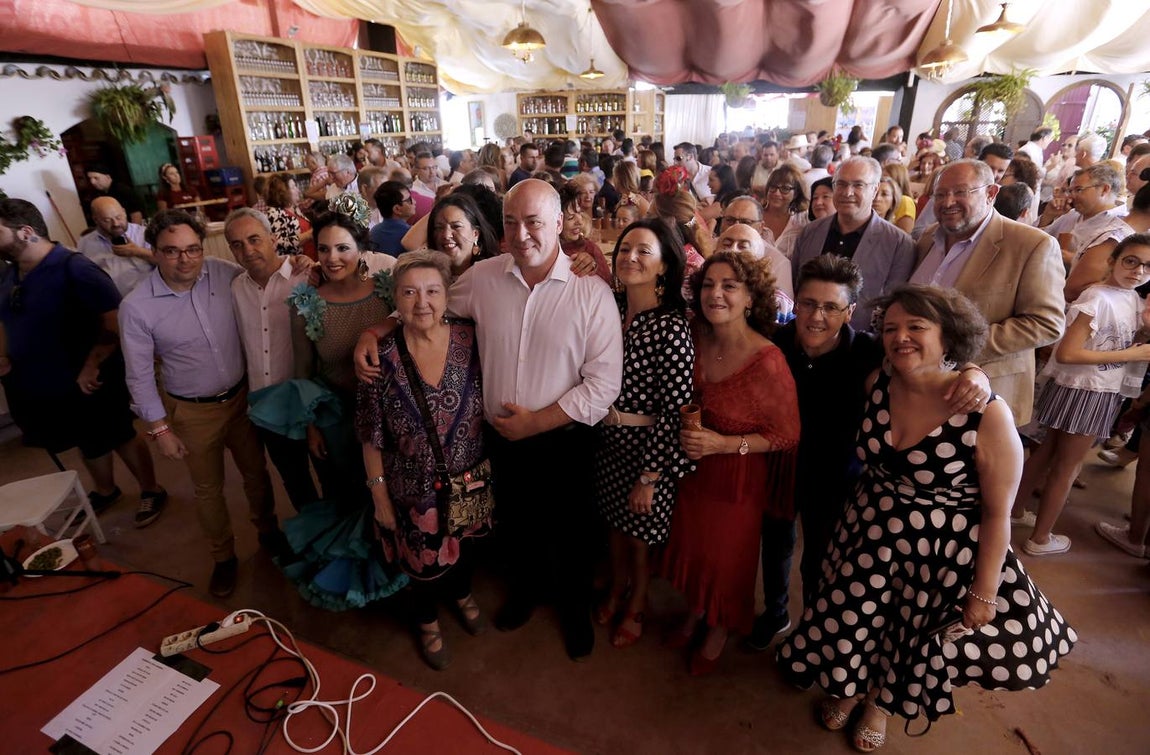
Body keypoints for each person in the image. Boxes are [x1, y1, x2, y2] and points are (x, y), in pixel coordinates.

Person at [778, 284, 1076, 752]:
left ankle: (880, 704)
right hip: (866, 531)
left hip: (936, 552)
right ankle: (848, 687)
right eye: (892, 328)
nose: (902, 337)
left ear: (948, 335)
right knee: (858, 618)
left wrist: (984, 592)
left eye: (917, 326)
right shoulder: (877, 382)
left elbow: (999, 515)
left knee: (907, 634)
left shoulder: (986, 414)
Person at [355, 178, 622, 660]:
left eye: (535, 222)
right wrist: (375, 328)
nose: (522, 235)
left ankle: (574, 609)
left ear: (559, 224)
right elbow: (426, 309)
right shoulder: (484, 279)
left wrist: (536, 423)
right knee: (517, 526)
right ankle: (526, 593)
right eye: (512, 222)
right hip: (498, 439)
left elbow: (603, 386)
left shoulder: (591, 294)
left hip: (564, 439)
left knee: (572, 531)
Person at [119, 210, 282, 597]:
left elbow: (266, 276)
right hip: (192, 411)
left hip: (242, 399)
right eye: (172, 251)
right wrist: (160, 429)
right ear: (153, 252)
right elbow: (138, 375)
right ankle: (223, 557)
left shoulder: (224, 273)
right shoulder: (137, 307)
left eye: (193, 249)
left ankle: (270, 534)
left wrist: (301, 261)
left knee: (257, 474)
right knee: (208, 489)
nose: (185, 259)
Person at [660, 250, 800, 675]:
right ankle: (698, 610)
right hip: (693, 469)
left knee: (726, 560)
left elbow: (787, 434)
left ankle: (719, 624)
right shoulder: (694, 335)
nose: (715, 294)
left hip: (736, 475)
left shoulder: (768, 361)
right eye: (707, 285)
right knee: (696, 547)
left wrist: (725, 445)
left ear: (750, 299)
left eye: (728, 286)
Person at [357, 251, 488, 669]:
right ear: (395, 298)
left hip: (471, 478)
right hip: (411, 488)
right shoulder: (379, 355)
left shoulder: (473, 338)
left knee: (466, 548)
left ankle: (462, 592)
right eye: (409, 292)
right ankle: (427, 620)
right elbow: (369, 433)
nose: (422, 303)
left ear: (447, 296)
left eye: (432, 291)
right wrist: (379, 496)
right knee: (421, 562)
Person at [0, 197, 165, 525]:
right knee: (85, 437)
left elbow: (114, 322)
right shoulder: (11, 274)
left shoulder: (74, 268)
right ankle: (106, 490)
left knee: (117, 432)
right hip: (50, 380)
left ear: (25, 232)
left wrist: (91, 364)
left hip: (92, 374)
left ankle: (152, 489)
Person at [282, 195, 408, 609]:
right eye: (324, 249)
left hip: (390, 419)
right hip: (336, 422)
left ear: (361, 249)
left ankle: (399, 571)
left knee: (392, 497)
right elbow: (302, 372)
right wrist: (311, 427)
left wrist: (378, 328)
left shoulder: (388, 293)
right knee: (349, 498)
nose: (333, 258)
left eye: (342, 248)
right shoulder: (306, 305)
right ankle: (358, 580)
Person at [1010, 235, 1150, 555]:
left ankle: (1015, 510)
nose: (1139, 271)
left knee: (1046, 453)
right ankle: (1041, 538)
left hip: (1084, 387)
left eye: (1147, 266)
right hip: (1087, 390)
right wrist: (1131, 354)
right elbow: (1068, 354)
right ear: (1113, 261)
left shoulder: (1128, 298)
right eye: (1131, 261)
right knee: (1066, 467)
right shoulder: (1097, 297)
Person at [594, 219, 694, 649]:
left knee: (639, 538)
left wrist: (650, 477)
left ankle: (636, 602)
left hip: (647, 451)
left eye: (643, 251)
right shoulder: (609, 307)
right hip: (606, 442)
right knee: (613, 529)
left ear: (665, 266)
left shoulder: (671, 327)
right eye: (624, 249)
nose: (629, 258)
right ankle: (617, 589)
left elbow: (673, 411)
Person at [910, 160, 1065, 425]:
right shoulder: (929, 237)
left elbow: (1046, 323)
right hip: (920, 385)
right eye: (940, 194)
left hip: (983, 392)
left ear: (991, 193)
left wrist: (953, 349)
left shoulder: (1032, 245)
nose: (948, 202)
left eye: (961, 192)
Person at [225, 208, 320, 512]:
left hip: (312, 402)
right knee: (295, 482)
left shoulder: (307, 277)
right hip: (267, 408)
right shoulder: (236, 288)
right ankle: (313, 546)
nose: (248, 250)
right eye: (237, 244)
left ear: (273, 238)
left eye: (254, 239)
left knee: (333, 479)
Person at [793, 156, 915, 330]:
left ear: (875, 190)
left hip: (860, 344)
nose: (847, 192)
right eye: (841, 184)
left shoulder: (899, 244)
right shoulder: (810, 233)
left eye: (858, 185)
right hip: (808, 334)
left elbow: (892, 306)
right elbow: (796, 287)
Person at [77, 196, 155, 296]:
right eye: (107, 220)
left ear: (124, 212)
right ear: (96, 220)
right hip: (111, 303)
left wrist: (138, 252)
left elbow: (165, 262)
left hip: (149, 296)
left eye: (119, 217)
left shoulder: (145, 234)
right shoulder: (85, 243)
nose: (116, 224)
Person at [426, 192, 501, 278]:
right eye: (439, 228)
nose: (446, 235)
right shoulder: (426, 278)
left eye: (456, 226)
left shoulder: (493, 276)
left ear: (475, 234)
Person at [558, 183, 611, 285]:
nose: (580, 222)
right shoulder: (545, 253)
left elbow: (607, 285)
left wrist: (593, 268)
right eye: (570, 217)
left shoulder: (589, 249)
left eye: (579, 213)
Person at [265, 173, 313, 257]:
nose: (298, 190)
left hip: (310, 257)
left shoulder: (294, 208)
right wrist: (309, 235)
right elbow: (279, 242)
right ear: (282, 192)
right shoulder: (274, 213)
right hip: (296, 264)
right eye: (294, 187)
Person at [369, 180, 415, 255]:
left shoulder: (373, 232)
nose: (414, 202)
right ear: (397, 209)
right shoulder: (410, 234)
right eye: (409, 200)